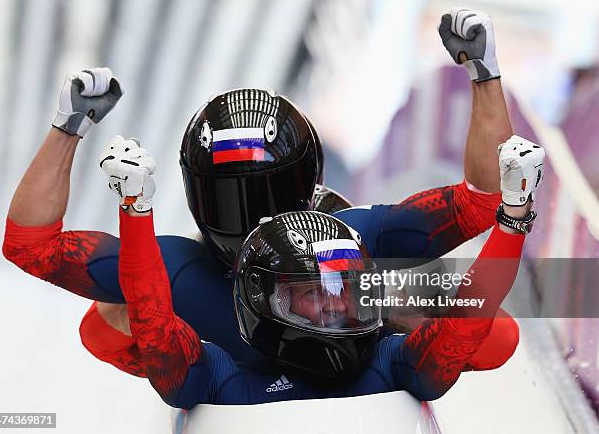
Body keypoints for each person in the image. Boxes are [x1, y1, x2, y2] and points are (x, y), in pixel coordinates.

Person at [3, 8, 519, 374]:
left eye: (320, 299)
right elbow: (34, 254)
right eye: (232, 201)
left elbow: (493, 316)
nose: (250, 220)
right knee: (112, 320)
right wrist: (68, 123)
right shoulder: (179, 275)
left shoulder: (358, 239)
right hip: (235, 378)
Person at [107, 132, 543, 407]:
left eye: (345, 289)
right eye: (314, 292)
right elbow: (152, 320)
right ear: (266, 300)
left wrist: (513, 217)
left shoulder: (394, 362)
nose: (337, 302)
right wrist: (135, 212)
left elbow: (469, 324)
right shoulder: (216, 379)